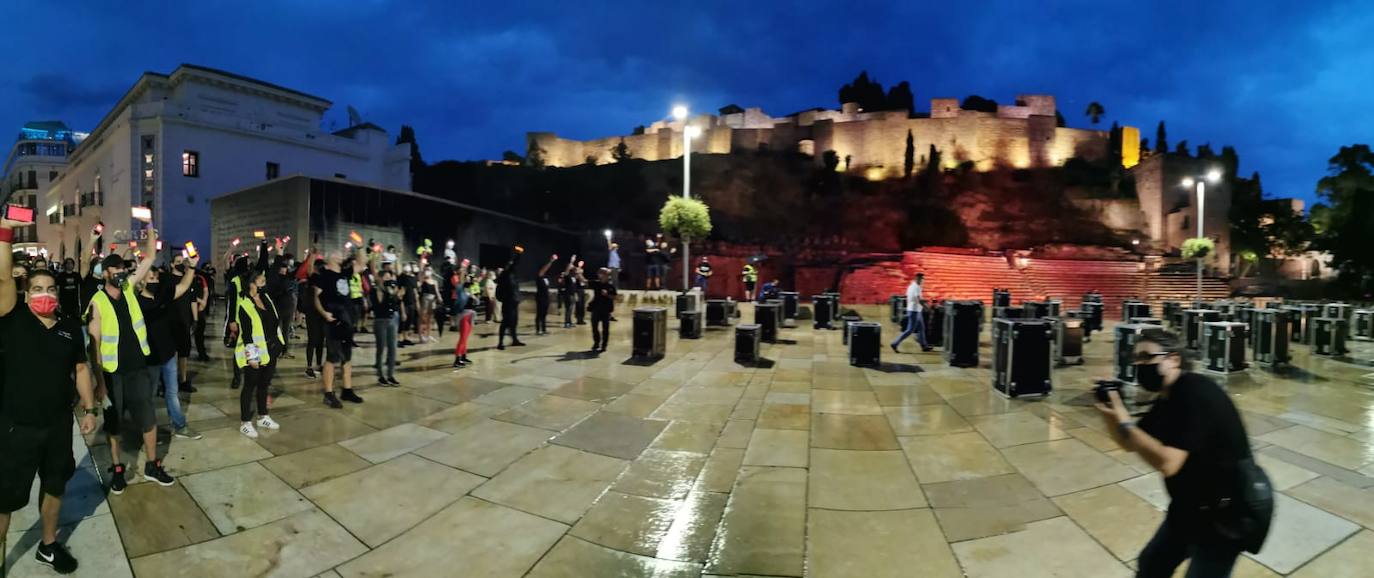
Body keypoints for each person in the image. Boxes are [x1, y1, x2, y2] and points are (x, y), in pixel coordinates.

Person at [1096, 330, 1257, 578]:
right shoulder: (1166, 399)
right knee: (1152, 564)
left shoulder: (1195, 392)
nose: (1139, 365)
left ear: (1173, 359)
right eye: (1136, 359)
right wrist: (1110, 415)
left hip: (1225, 517)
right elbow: (1131, 442)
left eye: (1146, 357)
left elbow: (1168, 463)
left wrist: (1125, 420)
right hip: (1189, 508)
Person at [0, 219, 98, 574]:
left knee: (55, 486)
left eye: (50, 288)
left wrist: (90, 408)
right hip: (16, 428)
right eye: (37, 287)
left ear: (58, 293)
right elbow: (2, 278)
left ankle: (48, 544)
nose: (45, 294)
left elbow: (82, 370)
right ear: (27, 292)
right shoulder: (12, 321)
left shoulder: (70, 328)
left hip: (57, 425)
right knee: (5, 499)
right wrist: (5, 233)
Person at [87, 232, 176, 493]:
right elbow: (94, 347)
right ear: (105, 273)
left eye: (122, 268)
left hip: (138, 369)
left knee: (148, 417)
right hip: (114, 374)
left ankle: (151, 464)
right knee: (113, 423)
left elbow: (149, 258)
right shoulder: (98, 302)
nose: (120, 272)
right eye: (114, 268)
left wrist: (150, 232)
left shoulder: (128, 288)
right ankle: (117, 469)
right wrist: (100, 383)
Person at [139, 260, 203, 441]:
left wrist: (191, 267)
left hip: (168, 355)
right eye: (150, 278)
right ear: (142, 280)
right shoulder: (136, 303)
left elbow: (183, 286)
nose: (154, 281)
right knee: (148, 397)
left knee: (172, 393)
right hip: (150, 358)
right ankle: (149, 431)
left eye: (156, 277)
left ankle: (179, 425)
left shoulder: (162, 294)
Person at [311, 246, 366, 408]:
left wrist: (361, 247)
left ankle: (347, 390)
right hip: (333, 319)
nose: (341, 255)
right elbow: (316, 298)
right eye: (338, 253)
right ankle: (328, 394)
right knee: (332, 357)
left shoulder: (344, 272)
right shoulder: (323, 275)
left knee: (347, 356)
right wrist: (324, 314)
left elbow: (362, 263)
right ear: (331, 257)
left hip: (347, 319)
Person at [233, 269, 284, 438]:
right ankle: (245, 422)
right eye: (261, 282)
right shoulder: (244, 305)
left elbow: (275, 322)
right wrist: (252, 357)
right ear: (251, 284)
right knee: (249, 386)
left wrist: (279, 344)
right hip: (254, 353)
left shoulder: (266, 298)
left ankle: (263, 416)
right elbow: (247, 334)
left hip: (270, 350)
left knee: (264, 384)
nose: (264, 284)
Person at [371, 267, 403, 385]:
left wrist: (397, 296)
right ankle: (380, 375)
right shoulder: (375, 290)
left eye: (390, 277)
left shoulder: (391, 289)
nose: (389, 280)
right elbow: (379, 306)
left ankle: (391, 375)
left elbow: (395, 305)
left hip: (392, 320)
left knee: (393, 348)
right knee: (381, 348)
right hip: (380, 321)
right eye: (386, 277)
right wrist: (388, 292)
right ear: (380, 278)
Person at [890, 272, 933, 353]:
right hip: (914, 311)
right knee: (910, 330)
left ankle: (924, 345)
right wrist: (927, 308)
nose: (923, 281)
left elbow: (912, 298)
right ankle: (895, 343)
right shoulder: (916, 287)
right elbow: (919, 299)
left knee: (921, 328)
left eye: (923, 279)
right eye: (921, 279)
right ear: (917, 278)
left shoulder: (911, 286)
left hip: (916, 310)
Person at [495, 249, 526, 349]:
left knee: (514, 321)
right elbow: (514, 263)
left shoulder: (511, 275)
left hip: (514, 301)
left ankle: (515, 340)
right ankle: (500, 343)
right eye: (509, 264)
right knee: (506, 322)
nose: (511, 265)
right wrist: (518, 254)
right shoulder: (506, 274)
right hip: (508, 302)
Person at [301, 257, 326, 378]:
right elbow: (309, 269)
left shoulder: (323, 278)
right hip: (313, 313)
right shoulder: (313, 278)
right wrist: (312, 256)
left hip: (320, 313)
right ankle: (310, 366)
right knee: (314, 340)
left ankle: (318, 365)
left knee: (320, 340)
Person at [588, 267, 617, 352]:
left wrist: (607, 294)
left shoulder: (611, 286)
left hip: (606, 310)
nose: (600, 275)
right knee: (594, 328)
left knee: (605, 329)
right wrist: (579, 274)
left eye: (604, 273)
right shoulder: (596, 284)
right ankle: (596, 343)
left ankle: (604, 345)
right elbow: (585, 281)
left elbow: (615, 297)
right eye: (600, 273)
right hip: (596, 309)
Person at [452, 273, 477, 367]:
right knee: (462, 338)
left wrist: (474, 298)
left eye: (468, 278)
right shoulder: (460, 290)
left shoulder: (470, 290)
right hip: (463, 316)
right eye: (465, 278)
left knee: (465, 338)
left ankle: (463, 356)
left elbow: (477, 302)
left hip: (471, 315)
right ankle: (457, 359)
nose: (467, 279)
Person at [534, 254, 556, 335]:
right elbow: (544, 269)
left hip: (546, 298)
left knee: (544, 314)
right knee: (539, 314)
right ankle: (538, 329)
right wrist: (551, 261)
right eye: (543, 268)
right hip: (540, 298)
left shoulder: (545, 278)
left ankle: (543, 329)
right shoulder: (538, 276)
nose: (545, 270)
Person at [559, 260, 577, 329]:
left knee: (571, 309)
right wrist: (571, 262)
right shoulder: (567, 276)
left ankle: (569, 321)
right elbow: (566, 273)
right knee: (568, 309)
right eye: (571, 266)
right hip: (568, 294)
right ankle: (566, 323)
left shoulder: (573, 276)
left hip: (572, 294)